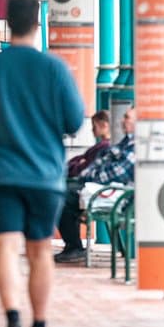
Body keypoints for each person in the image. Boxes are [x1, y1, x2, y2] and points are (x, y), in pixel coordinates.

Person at [0, 0, 85, 327]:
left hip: (0, 175)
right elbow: (75, 120)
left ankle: (13, 319)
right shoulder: (55, 69)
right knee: (41, 249)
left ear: (6, 25)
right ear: (37, 23)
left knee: (4, 247)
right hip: (45, 176)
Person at [0, 109, 113, 250]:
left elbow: (82, 166)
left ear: (104, 125)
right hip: (72, 182)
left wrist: (75, 165)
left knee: (29, 195)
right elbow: (78, 161)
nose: (92, 130)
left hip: (80, 186)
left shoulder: (104, 147)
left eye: (94, 126)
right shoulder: (101, 146)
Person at [54, 108, 136, 264]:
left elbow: (115, 172)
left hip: (116, 195)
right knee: (63, 194)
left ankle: (74, 247)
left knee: (61, 196)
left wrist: (88, 175)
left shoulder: (134, 147)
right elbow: (96, 165)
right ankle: (73, 246)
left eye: (127, 117)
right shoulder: (125, 143)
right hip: (106, 189)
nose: (122, 120)